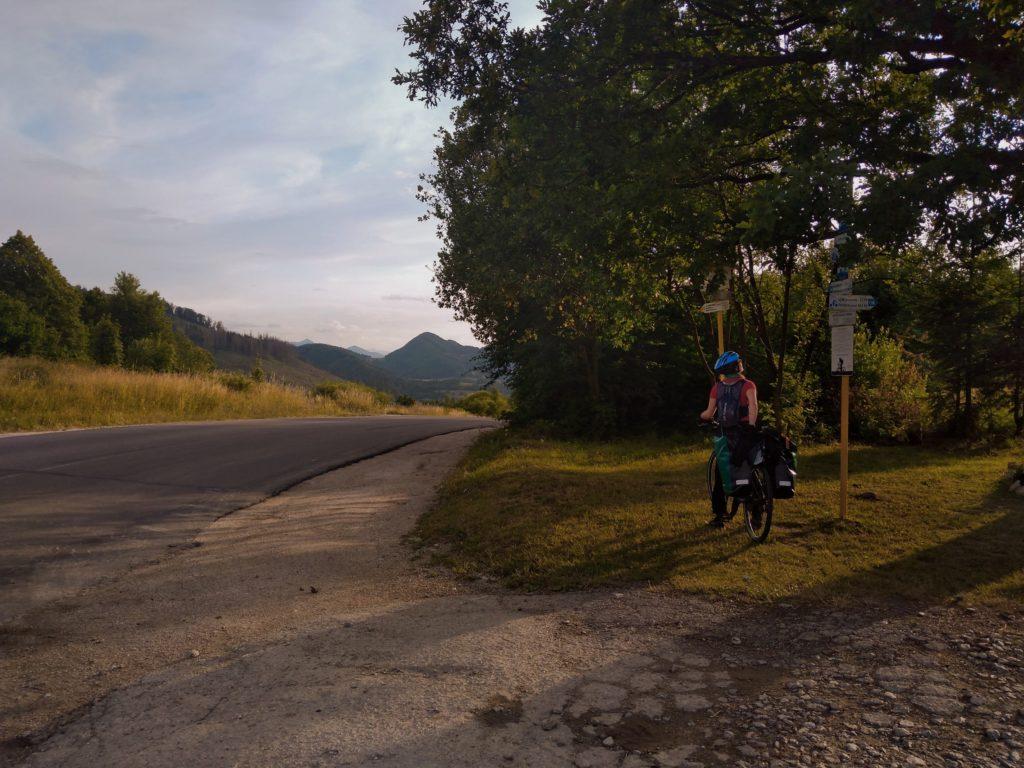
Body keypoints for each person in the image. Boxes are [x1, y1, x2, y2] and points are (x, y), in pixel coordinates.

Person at [700, 351, 759, 528]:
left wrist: (702, 417)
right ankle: (756, 516)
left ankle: (719, 516)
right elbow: (754, 408)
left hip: (726, 436)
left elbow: (710, 413)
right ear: (738, 366)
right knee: (752, 469)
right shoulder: (749, 385)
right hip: (745, 435)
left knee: (720, 473)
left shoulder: (717, 388)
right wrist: (751, 426)